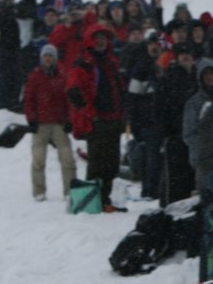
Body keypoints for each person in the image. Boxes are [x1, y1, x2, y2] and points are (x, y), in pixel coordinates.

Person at [68, 25, 127, 212]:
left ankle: (104, 200)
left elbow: (119, 91)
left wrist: (122, 115)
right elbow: (74, 92)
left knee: (111, 164)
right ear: (89, 40)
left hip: (113, 119)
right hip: (97, 121)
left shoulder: (111, 62)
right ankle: (91, 203)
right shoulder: (84, 64)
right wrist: (91, 115)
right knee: (97, 164)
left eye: (103, 38)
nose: (100, 41)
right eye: (97, 38)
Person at [26, 45, 76, 202]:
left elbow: (68, 100)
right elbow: (29, 100)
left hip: (59, 122)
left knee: (67, 158)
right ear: (42, 58)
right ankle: (39, 191)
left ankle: (70, 190)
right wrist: (31, 119)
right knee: (38, 159)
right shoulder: (35, 76)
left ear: (55, 58)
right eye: (45, 56)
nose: (48, 58)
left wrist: (69, 120)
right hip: (40, 123)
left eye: (51, 56)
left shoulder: (62, 76)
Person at [156, 44, 201, 206]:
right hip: (175, 134)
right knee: (175, 178)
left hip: (196, 135)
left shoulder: (199, 77)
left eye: (188, 53)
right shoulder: (169, 77)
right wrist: (166, 130)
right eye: (182, 54)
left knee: (192, 176)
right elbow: (159, 106)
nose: (185, 57)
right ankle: (171, 210)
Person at [124, 31, 164, 200]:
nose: (154, 47)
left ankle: (155, 190)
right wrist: (134, 124)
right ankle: (149, 191)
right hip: (147, 121)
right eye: (151, 44)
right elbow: (132, 98)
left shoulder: (164, 67)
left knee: (158, 159)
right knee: (150, 158)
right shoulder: (141, 68)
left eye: (157, 44)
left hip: (162, 121)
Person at [0, 0, 25, 110]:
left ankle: (14, 102)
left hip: (15, 49)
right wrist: (2, 9)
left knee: (15, 78)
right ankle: (4, 103)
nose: (9, 1)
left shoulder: (16, 10)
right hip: (4, 50)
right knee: (4, 79)